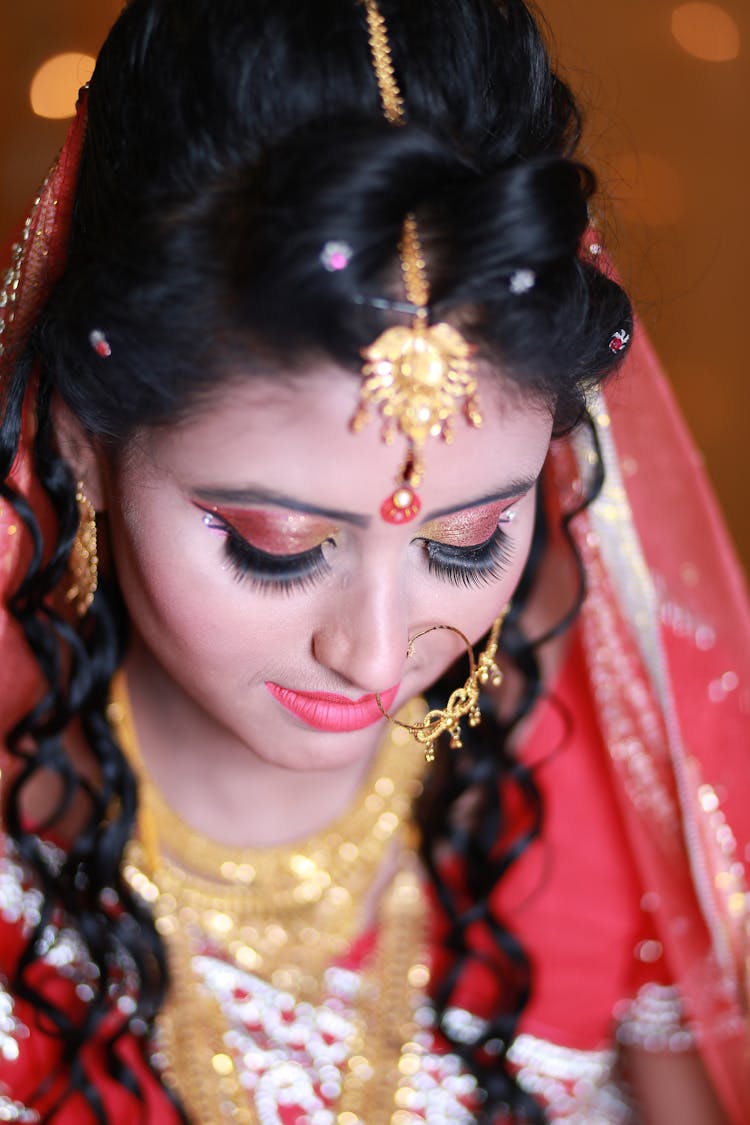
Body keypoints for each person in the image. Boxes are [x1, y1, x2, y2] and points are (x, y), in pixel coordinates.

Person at [0, 0, 748, 1122]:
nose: (378, 651)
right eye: (277, 547)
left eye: (470, 539)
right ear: (82, 447)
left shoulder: (645, 751)